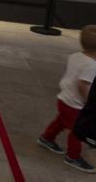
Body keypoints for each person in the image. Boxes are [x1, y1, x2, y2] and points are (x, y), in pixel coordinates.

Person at [38, 25, 96, 173]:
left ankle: (47, 138)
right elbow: (82, 84)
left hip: (64, 98)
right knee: (77, 131)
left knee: (61, 121)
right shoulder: (92, 66)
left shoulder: (75, 56)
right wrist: (89, 101)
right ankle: (73, 156)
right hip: (75, 104)